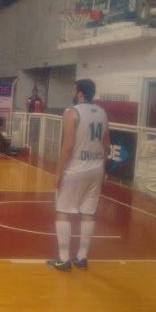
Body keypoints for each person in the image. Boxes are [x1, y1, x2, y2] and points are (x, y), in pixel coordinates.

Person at [48, 79, 109, 272]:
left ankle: (64, 259)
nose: (72, 92)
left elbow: (67, 146)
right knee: (88, 213)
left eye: (74, 89)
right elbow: (106, 144)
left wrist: (58, 172)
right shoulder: (102, 112)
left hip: (75, 169)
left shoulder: (71, 112)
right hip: (96, 168)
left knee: (62, 212)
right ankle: (82, 257)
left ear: (80, 93)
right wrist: (103, 168)